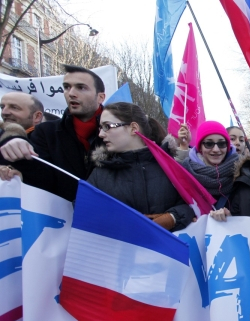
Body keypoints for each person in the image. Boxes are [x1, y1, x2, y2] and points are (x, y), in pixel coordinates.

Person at [0, 65, 105, 201]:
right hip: (60, 219)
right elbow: (40, 179)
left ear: (100, 97)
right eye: (67, 87)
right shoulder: (45, 132)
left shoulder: (121, 132)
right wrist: (14, 145)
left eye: (81, 87)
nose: (71, 93)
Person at [86, 102, 194, 232]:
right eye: (101, 128)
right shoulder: (99, 175)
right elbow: (84, 210)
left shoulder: (169, 167)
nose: (101, 134)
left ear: (133, 128)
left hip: (166, 250)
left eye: (107, 126)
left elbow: (192, 205)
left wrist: (172, 218)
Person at [177, 121, 239, 209]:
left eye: (221, 144)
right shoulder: (188, 172)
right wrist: (183, 146)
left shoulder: (242, 170)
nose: (216, 149)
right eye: (209, 144)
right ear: (200, 148)